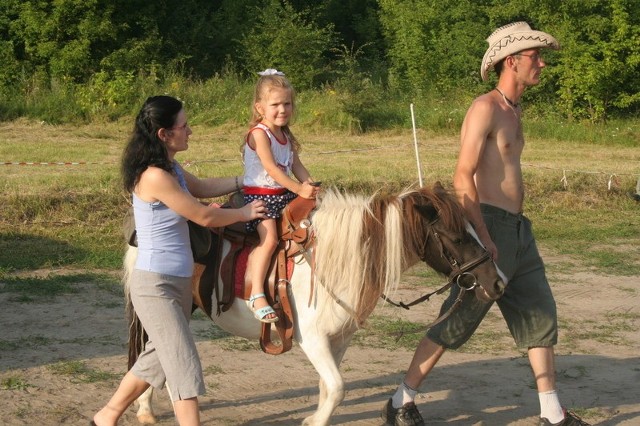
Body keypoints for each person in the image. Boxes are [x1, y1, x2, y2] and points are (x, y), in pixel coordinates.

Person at [381, 22, 589, 426]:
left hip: (518, 230)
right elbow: (463, 176)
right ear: (512, 61)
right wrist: (483, 235)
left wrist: (509, 231)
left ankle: (552, 413)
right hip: (490, 226)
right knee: (459, 318)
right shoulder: (486, 108)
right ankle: (400, 400)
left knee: (539, 313)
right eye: (535, 57)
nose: (541, 64)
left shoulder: (514, 110)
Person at [91, 95, 267, 426]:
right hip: (155, 284)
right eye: (184, 126)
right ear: (164, 134)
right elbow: (202, 215)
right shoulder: (154, 176)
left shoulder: (170, 168)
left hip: (178, 282)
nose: (191, 131)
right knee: (183, 364)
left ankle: (107, 415)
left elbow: (200, 187)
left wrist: (245, 180)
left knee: (157, 357)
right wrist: (243, 211)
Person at [241, 69, 318, 323]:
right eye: (275, 104)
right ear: (260, 107)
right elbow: (271, 168)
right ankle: (257, 294)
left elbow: (296, 165)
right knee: (270, 239)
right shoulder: (259, 134)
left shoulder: (285, 134)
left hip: (283, 194)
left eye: (287, 103)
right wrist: (298, 189)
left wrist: (309, 184)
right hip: (260, 199)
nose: (282, 109)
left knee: (315, 223)